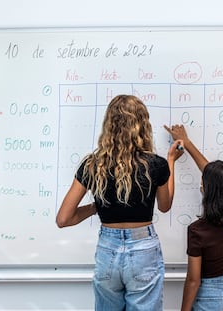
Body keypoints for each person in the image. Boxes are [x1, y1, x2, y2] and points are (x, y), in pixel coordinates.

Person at [56, 94, 184, 311]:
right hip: (143, 248)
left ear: (109, 125)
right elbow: (165, 205)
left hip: (108, 248)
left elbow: (63, 219)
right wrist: (171, 161)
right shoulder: (156, 164)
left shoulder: (93, 164)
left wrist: (96, 207)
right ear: (142, 125)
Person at [164, 124, 223, 311]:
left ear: (208, 190)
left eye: (203, 181)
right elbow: (220, 179)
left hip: (212, 296)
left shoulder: (198, 231)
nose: (201, 181)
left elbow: (193, 281)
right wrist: (186, 142)